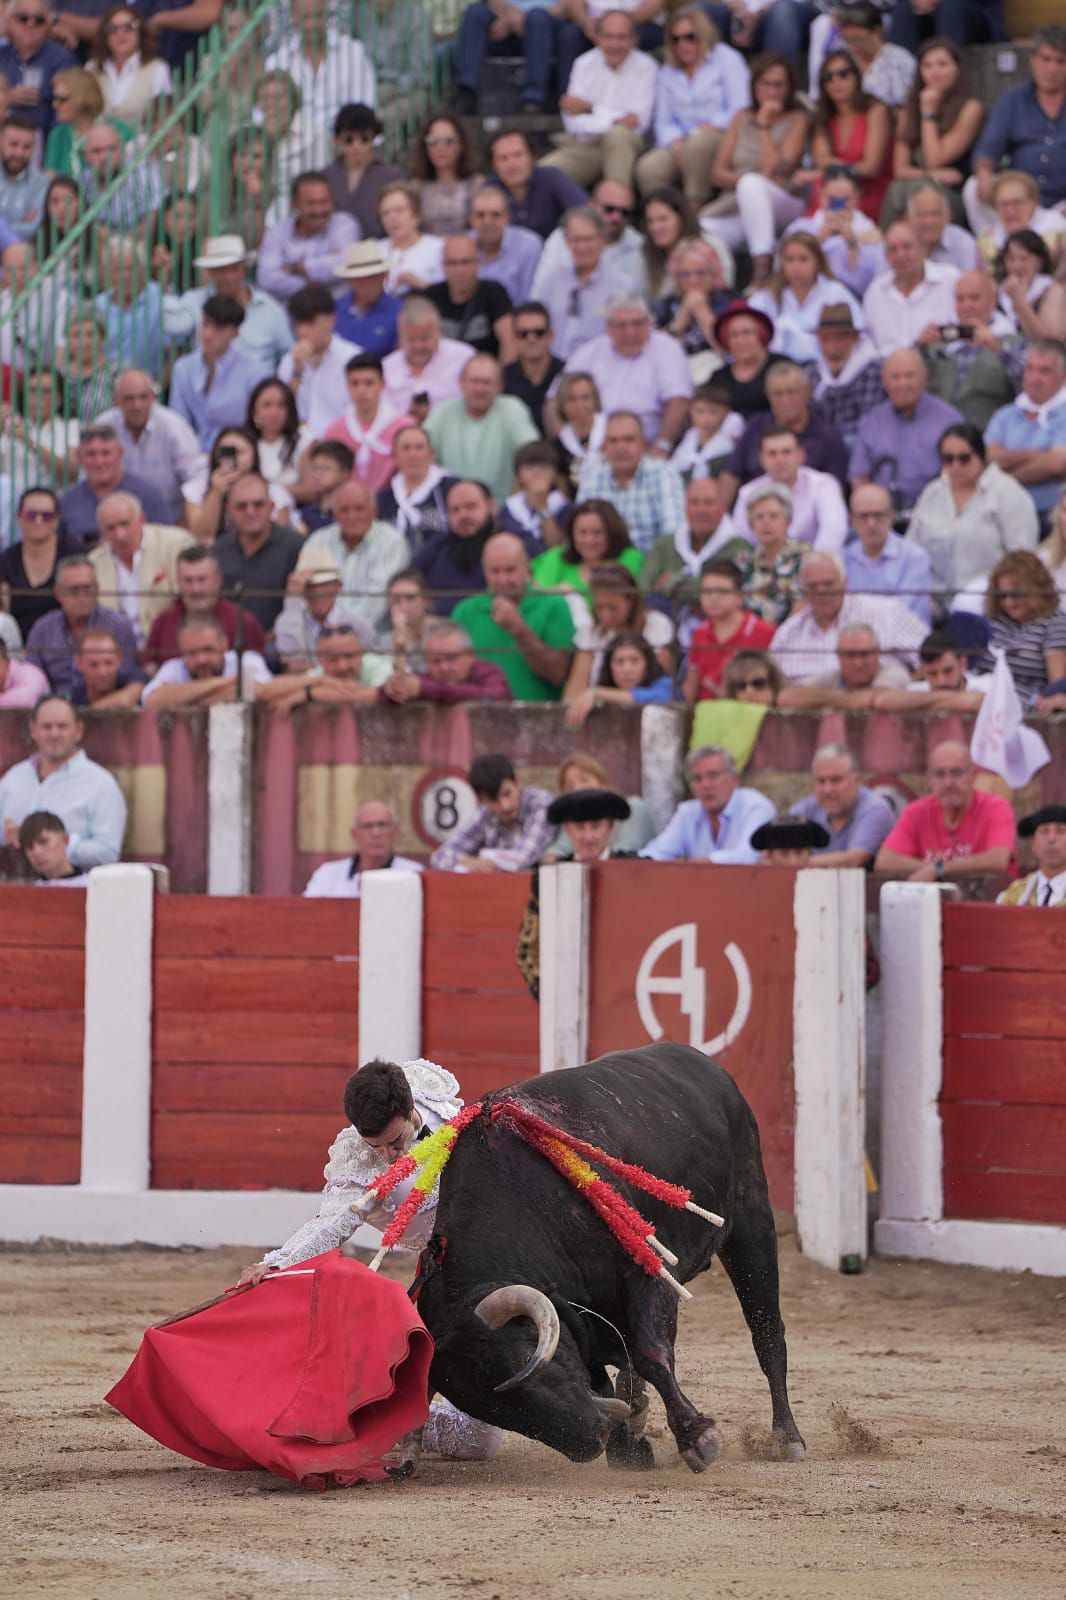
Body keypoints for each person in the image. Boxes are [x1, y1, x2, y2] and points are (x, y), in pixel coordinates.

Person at [701, 51, 810, 289]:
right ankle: (721, 288)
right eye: (765, 84)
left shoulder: (797, 118)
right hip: (742, 203)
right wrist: (748, 182)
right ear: (754, 85)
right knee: (702, 234)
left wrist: (763, 126)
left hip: (784, 201)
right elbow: (718, 173)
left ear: (789, 87)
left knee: (752, 184)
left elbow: (778, 170)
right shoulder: (740, 117)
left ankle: (762, 269)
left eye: (778, 85)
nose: (771, 92)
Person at [631, 7, 748, 208]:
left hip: (722, 135)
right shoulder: (668, 70)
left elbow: (741, 107)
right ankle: (664, 218)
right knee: (649, 168)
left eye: (689, 37)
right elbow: (663, 120)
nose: (682, 45)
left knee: (698, 145)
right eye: (675, 39)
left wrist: (712, 126)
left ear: (704, 35)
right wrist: (674, 143)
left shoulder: (727, 58)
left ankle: (695, 209)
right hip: (681, 141)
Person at [908, 423, 1039, 601]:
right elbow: (911, 551)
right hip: (934, 601)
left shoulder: (1008, 493)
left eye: (964, 458)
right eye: (948, 458)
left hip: (990, 601)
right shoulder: (932, 493)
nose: (955, 466)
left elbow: (1022, 558)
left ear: (981, 456)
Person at [0, 694, 126, 868]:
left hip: (72, 890)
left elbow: (108, 853)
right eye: (46, 727)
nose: (54, 733)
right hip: (12, 886)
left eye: (62, 726)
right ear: (33, 730)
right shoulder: (14, 778)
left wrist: (62, 845)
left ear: (78, 730)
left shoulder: (101, 784)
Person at [540, 11, 657, 194]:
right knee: (543, 173)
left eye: (622, 37)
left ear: (635, 39)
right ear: (596, 37)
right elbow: (573, 123)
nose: (614, 44)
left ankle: (616, 211)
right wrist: (614, 119)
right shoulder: (583, 64)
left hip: (629, 147)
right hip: (588, 146)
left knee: (618, 137)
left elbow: (638, 123)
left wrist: (589, 109)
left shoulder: (647, 67)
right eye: (608, 36)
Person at [770, 550, 926, 683]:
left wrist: (900, 687)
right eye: (813, 586)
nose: (822, 592)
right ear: (803, 590)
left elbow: (934, 660)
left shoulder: (886, 612)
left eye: (828, 584)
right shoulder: (788, 633)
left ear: (845, 583)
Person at [452, 533, 574, 701]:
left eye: (510, 570)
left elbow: (559, 674)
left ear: (526, 567)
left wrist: (518, 629)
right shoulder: (465, 611)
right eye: (495, 571)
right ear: (484, 570)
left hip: (540, 720)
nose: (503, 579)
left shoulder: (554, 605)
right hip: (480, 719)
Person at [967, 27, 1066, 234]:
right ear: (1032, 60)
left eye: (1060, 61)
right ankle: (994, 252)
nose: (1052, 68)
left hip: (1061, 202)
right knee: (972, 188)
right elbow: (988, 148)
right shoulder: (1012, 101)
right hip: (1017, 197)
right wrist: (984, 172)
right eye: (1045, 59)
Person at [564, 295, 694, 452]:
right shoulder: (589, 352)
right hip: (592, 446)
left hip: (649, 446)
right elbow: (554, 399)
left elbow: (679, 401)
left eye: (637, 324)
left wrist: (662, 446)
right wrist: (569, 445)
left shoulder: (668, 349)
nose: (630, 331)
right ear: (608, 327)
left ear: (649, 323)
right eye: (622, 326)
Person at [875, 740, 1016, 883]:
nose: (948, 783)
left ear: (973, 775)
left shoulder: (995, 807)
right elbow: (885, 861)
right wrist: (934, 868)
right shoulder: (916, 811)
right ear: (929, 778)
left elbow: (998, 860)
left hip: (986, 901)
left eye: (957, 773)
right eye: (940, 774)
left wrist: (939, 869)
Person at [849, 345, 963, 512]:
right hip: (883, 516)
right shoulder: (871, 423)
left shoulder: (949, 420)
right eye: (895, 377)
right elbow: (859, 478)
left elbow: (961, 474)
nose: (903, 384)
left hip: (936, 512)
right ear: (884, 380)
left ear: (924, 376)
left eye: (910, 376)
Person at [720, 359, 849, 503]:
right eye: (778, 394)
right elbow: (731, 473)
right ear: (767, 395)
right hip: (756, 511)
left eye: (792, 392)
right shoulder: (755, 427)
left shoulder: (827, 436)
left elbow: (836, 492)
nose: (785, 400)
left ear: (807, 392)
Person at [297, 479, 409, 643]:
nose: (352, 516)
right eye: (344, 510)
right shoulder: (319, 540)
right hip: (318, 637)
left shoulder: (392, 542)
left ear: (374, 510)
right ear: (334, 513)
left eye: (359, 509)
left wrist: (339, 633)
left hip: (371, 640)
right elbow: (301, 591)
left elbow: (376, 603)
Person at [887, 39, 984, 225]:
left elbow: (935, 159)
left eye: (942, 65)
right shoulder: (909, 109)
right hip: (914, 187)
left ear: (957, 68)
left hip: (951, 191)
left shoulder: (971, 108)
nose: (935, 72)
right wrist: (931, 175)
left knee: (917, 192)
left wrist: (928, 113)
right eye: (927, 66)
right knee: (897, 189)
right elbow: (900, 169)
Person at [93, 369, 204, 529]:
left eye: (143, 397)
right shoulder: (104, 426)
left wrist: (185, 523)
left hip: (169, 522)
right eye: (129, 399)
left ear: (154, 397)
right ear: (116, 401)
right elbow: (90, 476)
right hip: (116, 525)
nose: (137, 405)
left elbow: (196, 476)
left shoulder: (173, 426)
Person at [916, 270, 1026, 432]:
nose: (966, 305)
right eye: (960, 299)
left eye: (974, 298)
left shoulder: (1012, 342)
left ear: (992, 300)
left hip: (988, 435)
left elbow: (1030, 388)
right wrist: (919, 348)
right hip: (937, 434)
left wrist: (999, 350)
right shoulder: (938, 342)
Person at [424, 353, 539, 504]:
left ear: (500, 386)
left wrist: (513, 503)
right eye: (474, 381)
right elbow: (423, 456)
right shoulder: (442, 412)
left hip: (502, 507)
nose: (480, 389)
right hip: (450, 509)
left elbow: (532, 455)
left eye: (487, 382)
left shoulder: (513, 409)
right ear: (461, 383)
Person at [573, 408, 685, 554]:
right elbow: (580, 534)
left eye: (628, 440)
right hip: (602, 568)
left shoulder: (663, 474)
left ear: (643, 444)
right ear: (604, 446)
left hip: (650, 566)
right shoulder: (592, 479)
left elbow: (673, 535)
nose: (620, 448)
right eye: (613, 441)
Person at [86, 492, 192, 646]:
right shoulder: (93, 563)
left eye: (125, 524)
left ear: (141, 519)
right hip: (115, 653)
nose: (120, 535)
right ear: (101, 531)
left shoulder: (176, 544)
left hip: (169, 645)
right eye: (110, 528)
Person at [169, 296, 271, 454]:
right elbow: (178, 422)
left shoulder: (255, 372)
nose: (208, 334)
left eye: (219, 328)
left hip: (238, 451)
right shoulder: (183, 367)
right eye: (205, 325)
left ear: (235, 332)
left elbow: (259, 425)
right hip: (191, 452)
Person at [640, 743, 774, 863]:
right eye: (697, 779)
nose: (705, 785)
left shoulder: (756, 807)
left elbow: (748, 857)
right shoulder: (687, 812)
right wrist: (640, 860)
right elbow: (659, 851)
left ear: (734, 779)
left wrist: (690, 864)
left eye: (713, 776)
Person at [24, 553, 138, 694]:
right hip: (55, 707)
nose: (82, 596)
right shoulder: (42, 629)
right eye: (74, 590)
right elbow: (32, 679)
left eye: (87, 589)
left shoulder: (118, 625)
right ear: (58, 593)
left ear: (97, 589)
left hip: (108, 704)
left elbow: (128, 677)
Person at [143, 545, 268, 671]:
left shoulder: (244, 623)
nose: (195, 589)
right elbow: (149, 669)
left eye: (202, 580)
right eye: (188, 580)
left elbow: (258, 675)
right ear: (178, 582)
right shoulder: (162, 623)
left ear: (219, 580)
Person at [984, 340, 1066, 528]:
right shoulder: (1005, 414)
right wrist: (1035, 454)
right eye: (1030, 369)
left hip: (1050, 515)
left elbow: (1056, 464)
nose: (1034, 377)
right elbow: (990, 457)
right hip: (1002, 513)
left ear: (1063, 375)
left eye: (1045, 371)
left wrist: (1002, 477)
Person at [807, 48, 893, 225]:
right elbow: (821, 160)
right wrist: (845, 169)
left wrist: (834, 167)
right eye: (828, 77)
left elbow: (871, 167)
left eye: (843, 74)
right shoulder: (823, 117)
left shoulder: (875, 111)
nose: (836, 81)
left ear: (857, 76)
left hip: (869, 191)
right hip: (833, 193)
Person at [429, 751, 554, 871]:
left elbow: (522, 859)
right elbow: (439, 856)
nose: (505, 806)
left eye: (507, 794)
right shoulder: (485, 814)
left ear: (518, 783)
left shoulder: (541, 804)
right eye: (494, 801)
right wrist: (470, 862)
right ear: (483, 801)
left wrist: (487, 859)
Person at [213, 472, 304, 633]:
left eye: (258, 504)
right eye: (241, 506)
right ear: (228, 510)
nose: (250, 512)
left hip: (280, 645)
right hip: (227, 645)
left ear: (271, 507)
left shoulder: (296, 547)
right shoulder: (217, 550)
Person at [536, 206, 629, 362]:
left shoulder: (622, 286)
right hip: (554, 372)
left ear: (602, 240)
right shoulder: (552, 280)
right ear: (566, 241)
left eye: (588, 239)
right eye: (576, 240)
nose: (582, 247)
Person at [732, 425, 847, 551]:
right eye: (772, 454)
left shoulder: (823, 485)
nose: (780, 460)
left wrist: (811, 565)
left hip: (814, 564)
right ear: (762, 459)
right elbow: (741, 539)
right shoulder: (748, 492)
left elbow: (834, 532)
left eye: (786, 452)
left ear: (801, 455)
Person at [973, 551, 1066, 702]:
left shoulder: (1054, 623)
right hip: (979, 691)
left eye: (1015, 595)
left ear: (1035, 590)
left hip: (1023, 704)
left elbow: (1057, 689)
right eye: (1002, 596)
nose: (1008, 603)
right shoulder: (994, 620)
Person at [257, 170, 359, 307]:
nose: (318, 210)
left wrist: (296, 268)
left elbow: (344, 263)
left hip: (337, 312)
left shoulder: (344, 225)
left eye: (324, 202)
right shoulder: (277, 232)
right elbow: (267, 279)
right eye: (311, 203)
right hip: (289, 316)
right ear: (295, 204)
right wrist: (311, 285)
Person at [318, 353, 414, 496]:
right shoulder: (335, 431)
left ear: (383, 384)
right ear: (347, 386)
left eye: (369, 383)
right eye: (355, 383)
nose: (361, 390)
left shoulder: (405, 428)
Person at [57, 422, 168, 544]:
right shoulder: (68, 501)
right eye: (91, 454)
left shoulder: (147, 494)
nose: (99, 462)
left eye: (106, 453)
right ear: (79, 456)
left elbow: (164, 542)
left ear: (120, 453)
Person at [862, 218, 959, 356]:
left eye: (907, 247)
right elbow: (866, 343)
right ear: (885, 255)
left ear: (922, 248)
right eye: (893, 249)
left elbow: (966, 329)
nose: (900, 255)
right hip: (887, 371)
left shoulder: (950, 280)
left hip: (939, 365)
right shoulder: (875, 291)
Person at [451, 0, 565, 117]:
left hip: (546, 26)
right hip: (504, 23)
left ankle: (533, 99)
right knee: (476, 12)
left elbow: (571, 5)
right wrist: (508, 17)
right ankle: (467, 90)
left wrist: (527, 19)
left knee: (537, 19)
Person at [682, 559, 776, 702]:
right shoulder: (699, 633)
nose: (713, 598)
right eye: (707, 592)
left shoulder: (764, 632)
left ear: (739, 597)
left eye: (722, 592)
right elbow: (691, 685)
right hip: (705, 714)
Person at [784, 166, 883, 301]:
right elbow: (783, 272)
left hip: (850, 302)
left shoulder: (872, 235)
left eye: (845, 200)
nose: (839, 206)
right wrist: (817, 240)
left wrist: (853, 244)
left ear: (857, 199)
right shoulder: (800, 229)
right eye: (832, 199)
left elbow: (871, 285)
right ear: (821, 196)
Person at [788, 743, 894, 868]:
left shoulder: (875, 809)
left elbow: (853, 860)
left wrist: (796, 863)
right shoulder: (804, 810)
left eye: (836, 780)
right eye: (821, 781)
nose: (827, 789)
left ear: (857, 780)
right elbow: (774, 855)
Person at [275, 283, 359, 439]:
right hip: (296, 443)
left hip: (340, 445)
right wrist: (297, 371)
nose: (302, 332)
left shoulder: (352, 359)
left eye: (310, 323)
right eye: (298, 324)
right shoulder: (288, 362)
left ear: (331, 321)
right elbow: (280, 410)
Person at [844, 482, 933, 626]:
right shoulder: (843, 558)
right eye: (863, 516)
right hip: (855, 641)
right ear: (852, 520)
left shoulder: (915, 558)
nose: (871, 524)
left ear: (891, 516)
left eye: (877, 515)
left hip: (902, 641)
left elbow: (905, 613)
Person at [141, 613, 273, 709]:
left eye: (208, 650)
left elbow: (260, 692)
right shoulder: (174, 667)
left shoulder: (246, 660)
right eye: (192, 652)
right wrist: (223, 682)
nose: (201, 660)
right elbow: (153, 700)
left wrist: (184, 697)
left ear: (224, 644)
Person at [639, 475, 737, 603]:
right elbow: (642, 587)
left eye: (709, 503)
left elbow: (730, 592)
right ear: (685, 508)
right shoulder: (665, 544)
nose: (701, 510)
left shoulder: (738, 547)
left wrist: (673, 583)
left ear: (722, 507)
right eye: (694, 503)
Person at [0, 485, 82, 638]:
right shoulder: (5, 561)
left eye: (46, 516)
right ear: (19, 517)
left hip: (65, 645)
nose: (38, 521)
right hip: (16, 649)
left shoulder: (75, 555)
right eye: (31, 515)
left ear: (57, 520)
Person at [260, 620, 392, 712]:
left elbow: (379, 695)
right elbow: (264, 692)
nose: (342, 666)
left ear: (362, 651)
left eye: (349, 656)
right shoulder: (319, 675)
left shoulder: (379, 665)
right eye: (333, 659)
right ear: (320, 659)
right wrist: (319, 681)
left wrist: (310, 694)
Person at [410, 478, 499, 613]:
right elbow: (408, 583)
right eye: (455, 510)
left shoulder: (510, 545)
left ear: (490, 506)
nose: (463, 515)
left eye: (470, 506)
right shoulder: (435, 548)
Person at [424, 233, 516, 362]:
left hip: (483, 376)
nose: (459, 270)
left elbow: (510, 342)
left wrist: (500, 379)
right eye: (452, 263)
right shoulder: (429, 297)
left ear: (478, 263)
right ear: (443, 266)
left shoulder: (494, 292)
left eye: (465, 262)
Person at [303, 800, 424, 898]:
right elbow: (308, 916)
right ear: (354, 834)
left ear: (395, 831)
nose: (376, 833)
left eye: (382, 825)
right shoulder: (327, 875)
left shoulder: (413, 873)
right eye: (368, 826)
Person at [485, 127, 588, 240]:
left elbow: (585, 212)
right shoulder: (489, 189)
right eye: (503, 158)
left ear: (532, 158)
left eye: (518, 155)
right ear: (493, 165)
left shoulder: (550, 177)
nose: (512, 164)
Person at [379, 619, 512, 706]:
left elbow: (496, 697)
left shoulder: (489, 673)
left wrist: (425, 690)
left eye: (452, 658)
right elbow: (385, 695)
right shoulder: (426, 678)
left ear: (470, 655)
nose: (444, 667)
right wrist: (393, 689)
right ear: (426, 660)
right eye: (436, 661)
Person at [531, 496, 639, 601]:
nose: (589, 540)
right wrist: (556, 592)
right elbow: (533, 596)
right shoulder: (557, 556)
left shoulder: (630, 557)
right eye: (582, 533)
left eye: (597, 533)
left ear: (612, 533)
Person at [382, 297, 476, 416]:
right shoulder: (386, 367)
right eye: (411, 339)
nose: (419, 346)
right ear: (400, 335)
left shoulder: (464, 358)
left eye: (425, 338)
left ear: (439, 331)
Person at [726, 484, 805, 625]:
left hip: (789, 638)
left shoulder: (804, 558)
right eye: (759, 517)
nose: (766, 523)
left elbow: (804, 606)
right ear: (751, 524)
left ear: (788, 521)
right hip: (747, 639)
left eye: (773, 516)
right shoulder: (742, 561)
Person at [808, 302, 884, 449]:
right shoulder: (813, 373)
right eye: (825, 340)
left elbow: (870, 421)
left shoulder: (873, 370)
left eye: (839, 339)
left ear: (854, 338)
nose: (832, 347)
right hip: (823, 446)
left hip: (862, 445)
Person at [563, 630, 672, 729]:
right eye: (619, 662)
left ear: (648, 663)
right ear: (609, 666)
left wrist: (596, 693)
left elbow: (658, 697)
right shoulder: (601, 693)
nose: (627, 669)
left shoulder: (665, 684)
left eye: (635, 660)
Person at [324, 103, 402, 239]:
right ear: (337, 140)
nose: (357, 146)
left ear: (374, 139)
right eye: (349, 140)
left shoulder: (391, 176)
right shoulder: (326, 177)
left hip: (379, 250)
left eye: (364, 139)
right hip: (334, 253)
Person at [86, 4, 170, 127]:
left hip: (142, 144)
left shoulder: (158, 69)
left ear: (140, 32)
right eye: (113, 29)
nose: (121, 33)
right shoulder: (91, 68)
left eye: (129, 27)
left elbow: (163, 117)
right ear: (105, 36)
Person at [376, 425, 458, 549]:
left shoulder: (451, 488)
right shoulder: (383, 498)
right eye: (406, 448)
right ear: (395, 456)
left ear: (431, 454)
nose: (413, 454)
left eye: (419, 447)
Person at [0, 4, 75, 137]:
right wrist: (6, 97)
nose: (30, 25)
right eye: (23, 18)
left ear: (48, 25)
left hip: (44, 141)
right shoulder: (2, 54)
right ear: (10, 22)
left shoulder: (61, 59)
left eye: (39, 20)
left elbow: (66, 114)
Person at [978, 170, 1066, 273]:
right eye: (1004, 204)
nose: (1010, 210)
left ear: (1033, 203)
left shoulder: (1058, 232)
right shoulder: (988, 241)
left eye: (1017, 202)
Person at [409, 112, 478, 239]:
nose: (440, 148)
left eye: (449, 141)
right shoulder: (415, 188)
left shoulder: (477, 185)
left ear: (461, 145)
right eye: (433, 142)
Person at [469, 187, 542, 306]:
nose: (487, 222)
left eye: (496, 215)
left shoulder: (527, 245)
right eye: (480, 215)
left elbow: (529, 298)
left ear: (507, 217)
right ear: (471, 219)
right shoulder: (461, 245)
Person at [502, 301, 565, 435]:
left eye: (539, 333)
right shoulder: (502, 379)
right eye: (523, 333)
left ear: (550, 336)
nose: (531, 339)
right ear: (514, 338)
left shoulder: (567, 375)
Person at [333, 239, 403, 358]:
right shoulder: (335, 309)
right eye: (360, 279)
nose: (368, 284)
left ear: (384, 276)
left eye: (373, 277)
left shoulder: (400, 312)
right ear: (350, 280)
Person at [498, 439, 570, 551]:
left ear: (555, 474)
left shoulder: (564, 507)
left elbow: (557, 549)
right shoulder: (509, 509)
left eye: (544, 466)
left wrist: (543, 508)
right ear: (518, 475)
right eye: (529, 466)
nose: (537, 472)